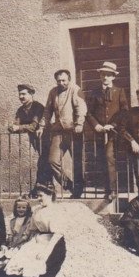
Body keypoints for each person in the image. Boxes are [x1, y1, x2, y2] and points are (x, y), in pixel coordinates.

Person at [85, 61, 129, 200]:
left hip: (113, 133)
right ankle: (106, 188)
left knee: (110, 158)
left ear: (113, 77)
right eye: (103, 74)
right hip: (99, 132)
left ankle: (113, 190)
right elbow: (88, 112)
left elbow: (124, 111)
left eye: (108, 75)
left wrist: (113, 125)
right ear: (100, 76)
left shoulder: (119, 91)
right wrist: (96, 125)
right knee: (102, 160)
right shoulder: (94, 92)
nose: (105, 77)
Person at [43, 69, 87, 198]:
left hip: (74, 132)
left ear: (69, 79)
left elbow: (81, 107)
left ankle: (78, 189)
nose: (61, 83)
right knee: (52, 161)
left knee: (77, 162)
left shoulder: (75, 89)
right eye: (59, 81)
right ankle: (69, 185)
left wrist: (79, 124)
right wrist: (42, 125)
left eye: (64, 80)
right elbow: (47, 110)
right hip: (58, 132)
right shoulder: (53, 92)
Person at [8, 83, 49, 186]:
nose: (21, 97)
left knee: (45, 164)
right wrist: (11, 127)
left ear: (31, 94)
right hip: (36, 141)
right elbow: (16, 124)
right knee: (44, 164)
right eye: (19, 94)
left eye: (23, 94)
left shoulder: (38, 107)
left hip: (46, 140)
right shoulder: (21, 110)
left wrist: (19, 127)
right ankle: (42, 187)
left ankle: (41, 187)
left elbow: (33, 126)